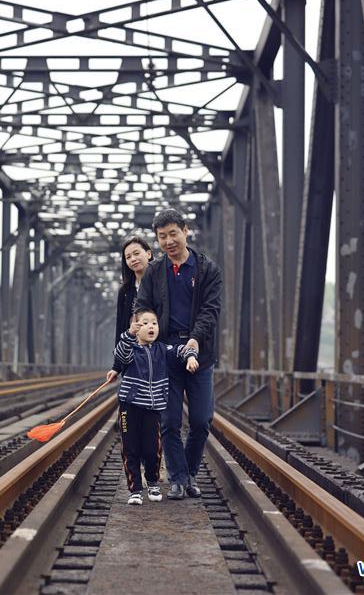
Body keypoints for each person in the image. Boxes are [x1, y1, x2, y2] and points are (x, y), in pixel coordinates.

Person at [135, 208, 222, 500]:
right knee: (169, 421)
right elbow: (143, 305)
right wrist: (143, 327)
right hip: (165, 357)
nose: (169, 241)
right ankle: (179, 478)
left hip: (200, 354)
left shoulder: (207, 269)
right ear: (157, 240)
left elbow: (211, 311)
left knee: (201, 420)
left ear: (186, 230)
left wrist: (196, 340)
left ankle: (188, 472)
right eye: (162, 237)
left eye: (173, 233)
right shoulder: (154, 271)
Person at [113, 308, 198, 505]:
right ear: (136, 327)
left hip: (152, 408)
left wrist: (191, 356)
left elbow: (181, 349)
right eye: (145, 323)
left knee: (153, 449)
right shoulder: (131, 349)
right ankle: (135, 490)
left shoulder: (163, 350)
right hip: (129, 407)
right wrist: (128, 335)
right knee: (130, 448)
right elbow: (120, 355)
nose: (151, 326)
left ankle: (152, 482)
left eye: (154, 323)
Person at [105, 237, 153, 385]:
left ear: (149, 254)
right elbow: (120, 328)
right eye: (128, 257)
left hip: (156, 356)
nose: (133, 259)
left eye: (137, 253)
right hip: (132, 357)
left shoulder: (161, 285)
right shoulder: (125, 292)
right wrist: (116, 366)